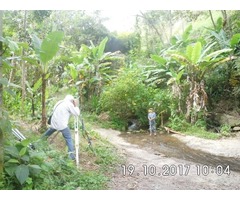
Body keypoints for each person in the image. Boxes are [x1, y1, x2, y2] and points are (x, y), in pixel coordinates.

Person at [42, 94, 80, 160]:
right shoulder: (69, 104)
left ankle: (37, 142)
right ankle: (71, 156)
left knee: (48, 133)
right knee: (69, 138)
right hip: (62, 125)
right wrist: (75, 105)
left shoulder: (59, 102)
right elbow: (77, 113)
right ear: (72, 100)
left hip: (54, 123)